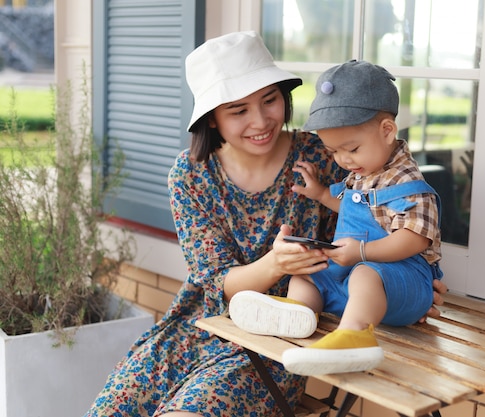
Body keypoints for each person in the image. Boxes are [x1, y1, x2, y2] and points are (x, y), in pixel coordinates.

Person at [84, 32, 447, 417]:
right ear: (212, 119)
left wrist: (410, 282)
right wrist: (275, 264)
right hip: (199, 323)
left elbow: (391, 201)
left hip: (275, 341)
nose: (261, 121)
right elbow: (216, 281)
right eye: (239, 110)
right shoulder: (190, 176)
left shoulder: (323, 153)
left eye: (270, 100)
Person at [229, 60, 443, 376]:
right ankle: (299, 312)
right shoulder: (366, 171)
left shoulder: (407, 184)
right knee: (309, 273)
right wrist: (319, 193)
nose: (343, 160)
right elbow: (356, 208)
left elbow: (414, 237)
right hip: (355, 277)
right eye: (333, 153)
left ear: (387, 131)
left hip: (403, 281)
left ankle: (355, 336)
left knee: (365, 275)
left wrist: (362, 252)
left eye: (351, 149)